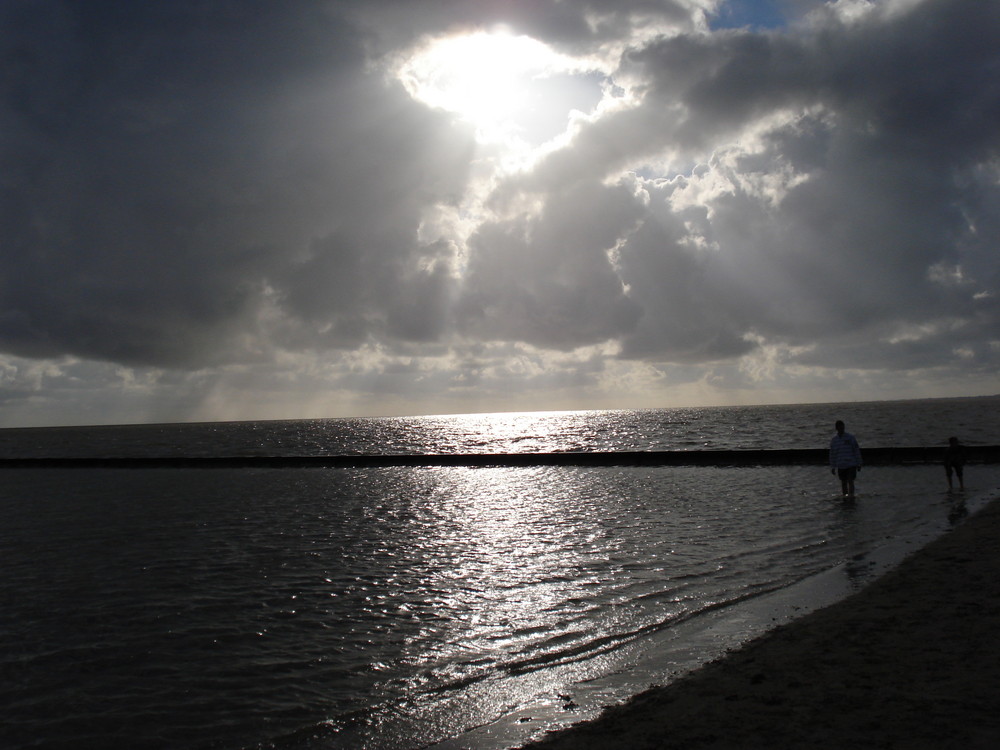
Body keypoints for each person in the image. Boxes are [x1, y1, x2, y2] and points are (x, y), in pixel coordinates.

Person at [829, 420, 862, 499]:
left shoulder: (850, 438)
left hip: (851, 463)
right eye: (840, 427)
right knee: (843, 482)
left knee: (850, 481)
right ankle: (845, 496)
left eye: (842, 426)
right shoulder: (834, 440)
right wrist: (833, 466)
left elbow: (856, 450)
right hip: (841, 465)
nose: (841, 428)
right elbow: (832, 454)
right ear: (836, 428)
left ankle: (851, 496)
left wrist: (859, 463)